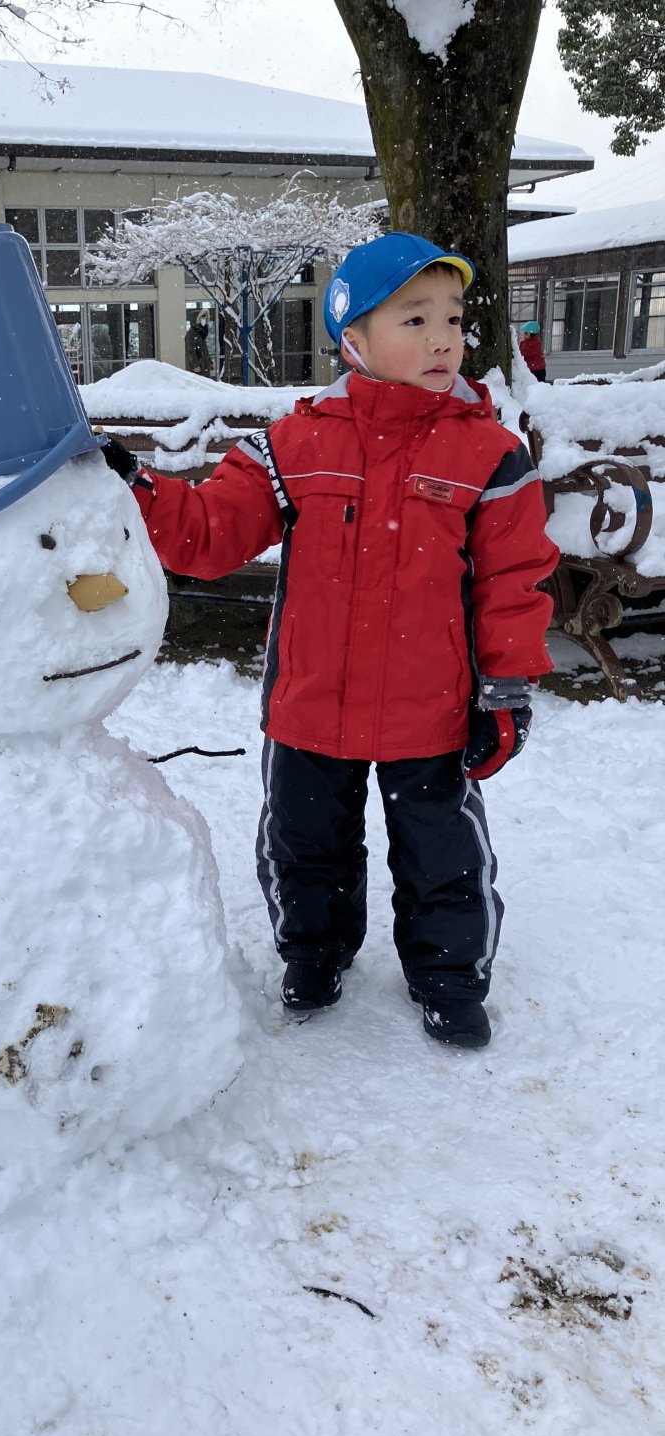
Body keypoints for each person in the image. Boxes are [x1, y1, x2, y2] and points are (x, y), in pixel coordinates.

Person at [101, 231, 559, 1050]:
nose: (444, 338)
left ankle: (449, 976)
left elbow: (512, 584)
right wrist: (139, 485)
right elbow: (209, 535)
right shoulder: (295, 445)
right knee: (304, 843)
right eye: (414, 320)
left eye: (452, 318)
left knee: (441, 853)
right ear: (355, 341)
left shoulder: (489, 457)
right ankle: (313, 954)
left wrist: (507, 690)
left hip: (432, 710)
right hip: (311, 703)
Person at [184, 309, 213, 377]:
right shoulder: (192, 333)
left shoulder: (201, 333)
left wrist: (210, 362)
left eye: (205, 318)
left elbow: (205, 350)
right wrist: (195, 365)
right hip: (197, 370)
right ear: (197, 319)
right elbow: (190, 351)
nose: (204, 320)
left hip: (204, 366)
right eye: (202, 318)